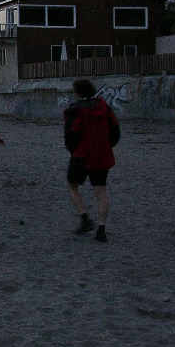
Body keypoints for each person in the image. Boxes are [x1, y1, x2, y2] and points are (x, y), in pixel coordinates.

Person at [63, 78, 120, 243]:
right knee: (101, 192)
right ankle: (101, 229)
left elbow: (70, 135)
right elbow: (115, 131)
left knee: (72, 187)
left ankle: (85, 219)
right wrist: (107, 146)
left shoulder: (75, 110)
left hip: (81, 154)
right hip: (102, 154)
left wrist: (74, 151)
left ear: (78, 92)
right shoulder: (105, 107)